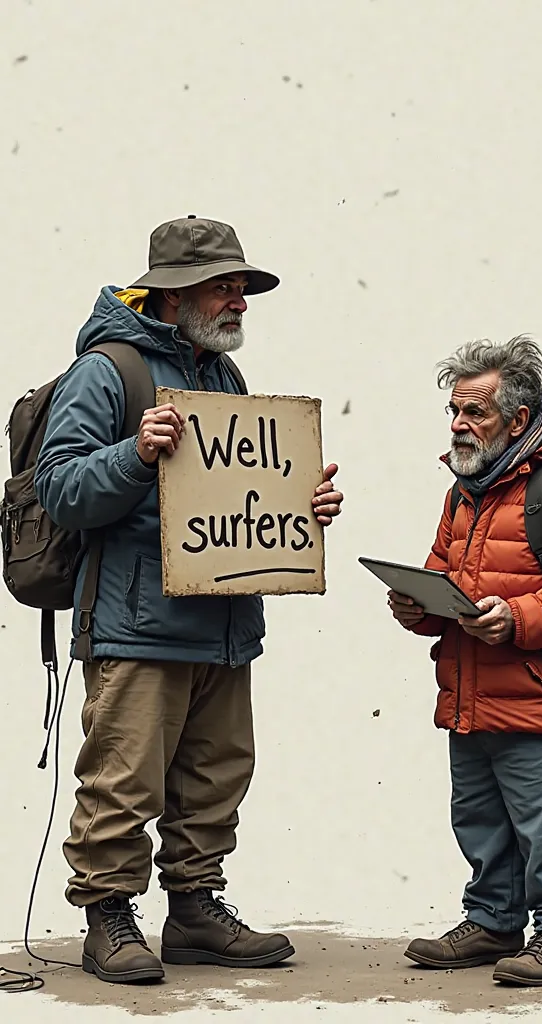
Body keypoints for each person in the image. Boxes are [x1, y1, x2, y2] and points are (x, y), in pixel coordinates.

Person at [35, 216, 344, 985]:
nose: (241, 299)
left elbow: (231, 491)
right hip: (137, 625)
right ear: (175, 294)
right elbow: (61, 489)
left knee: (217, 773)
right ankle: (107, 914)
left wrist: (303, 507)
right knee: (123, 777)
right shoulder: (106, 373)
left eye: (242, 285)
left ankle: (195, 908)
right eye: (224, 284)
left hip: (224, 622)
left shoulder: (223, 377)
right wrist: (136, 452)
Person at [387, 336, 542, 987]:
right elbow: (445, 576)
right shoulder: (466, 489)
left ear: (518, 419)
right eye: (454, 412)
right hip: (471, 695)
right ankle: (493, 922)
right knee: (482, 822)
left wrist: (517, 619)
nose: (460, 426)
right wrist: (419, 608)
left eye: (475, 414)